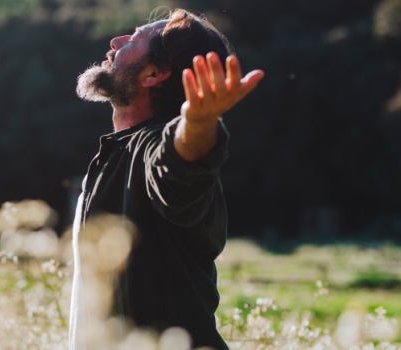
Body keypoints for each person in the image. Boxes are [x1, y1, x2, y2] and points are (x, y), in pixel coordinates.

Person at [69, 9, 264, 350]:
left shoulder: (153, 148)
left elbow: (180, 166)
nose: (116, 42)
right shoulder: (118, 152)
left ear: (153, 74)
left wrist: (200, 122)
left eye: (134, 39)